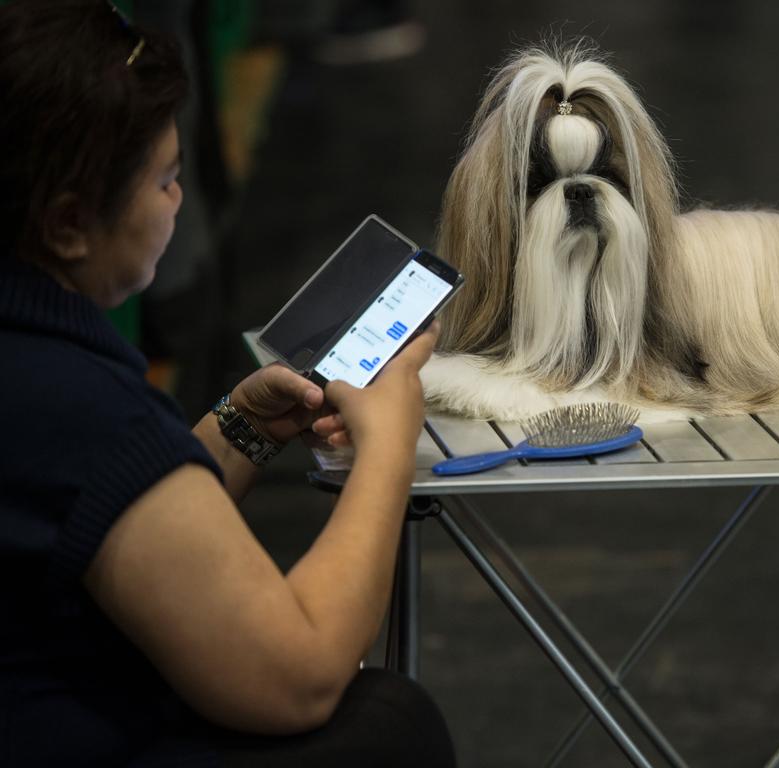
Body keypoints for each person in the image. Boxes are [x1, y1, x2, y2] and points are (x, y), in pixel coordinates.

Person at [0, 1, 455, 765]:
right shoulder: (82, 404)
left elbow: (121, 528)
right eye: (166, 180)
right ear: (71, 224)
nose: (179, 199)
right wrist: (387, 447)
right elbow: (298, 674)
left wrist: (242, 426)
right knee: (387, 722)